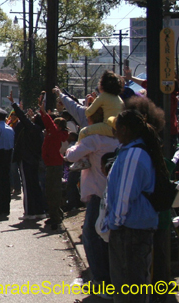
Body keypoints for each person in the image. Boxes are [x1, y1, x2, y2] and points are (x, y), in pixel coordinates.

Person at [100, 109, 161, 302]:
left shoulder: (134, 154)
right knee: (132, 287)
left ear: (125, 130)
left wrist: (114, 223)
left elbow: (125, 196)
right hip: (131, 228)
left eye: (116, 129)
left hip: (129, 231)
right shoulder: (131, 151)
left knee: (128, 289)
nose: (114, 133)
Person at [64, 106, 119, 293]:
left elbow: (71, 155)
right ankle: (110, 278)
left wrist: (74, 145)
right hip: (115, 193)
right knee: (107, 237)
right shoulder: (117, 139)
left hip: (97, 194)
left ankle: (101, 280)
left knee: (91, 234)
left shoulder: (94, 139)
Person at [7, 92, 46, 221]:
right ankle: (39, 210)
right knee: (35, 186)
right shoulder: (39, 132)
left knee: (28, 187)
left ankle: (29, 212)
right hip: (34, 160)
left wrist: (14, 104)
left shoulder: (32, 129)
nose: (32, 116)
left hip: (26, 160)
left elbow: (22, 118)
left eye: (34, 116)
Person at [38, 93, 69, 231]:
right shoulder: (55, 133)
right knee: (51, 191)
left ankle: (56, 217)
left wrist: (44, 112)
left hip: (54, 165)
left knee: (53, 191)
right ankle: (55, 214)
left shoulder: (57, 134)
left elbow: (49, 124)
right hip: (51, 164)